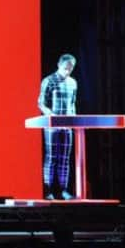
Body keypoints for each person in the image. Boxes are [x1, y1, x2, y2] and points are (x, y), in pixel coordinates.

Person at [37, 53, 77, 200]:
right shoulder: (48, 81)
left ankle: (63, 189)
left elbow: (73, 103)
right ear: (59, 65)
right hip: (51, 125)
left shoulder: (73, 83)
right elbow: (41, 102)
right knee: (52, 157)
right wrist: (51, 115)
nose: (68, 70)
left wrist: (74, 120)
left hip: (67, 126)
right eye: (66, 67)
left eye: (71, 67)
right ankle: (48, 189)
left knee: (64, 158)